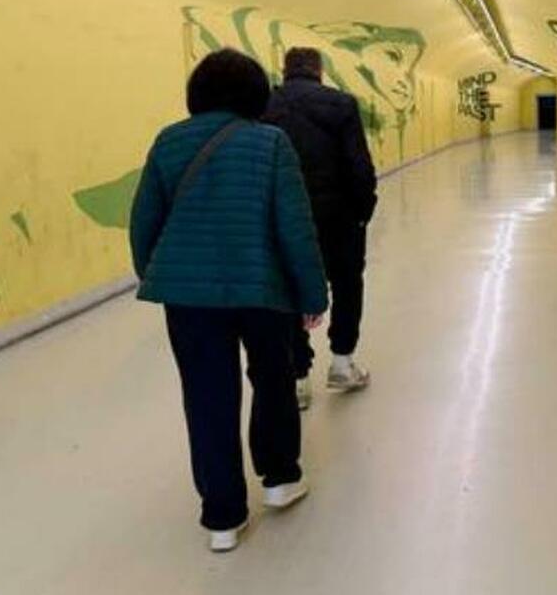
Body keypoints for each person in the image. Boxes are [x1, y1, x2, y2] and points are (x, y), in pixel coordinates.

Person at [129, 48, 328, 553]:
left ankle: (222, 518)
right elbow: (295, 226)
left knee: (206, 396)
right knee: (273, 379)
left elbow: (144, 223)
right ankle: (280, 478)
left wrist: (164, 275)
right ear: (256, 96)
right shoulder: (271, 142)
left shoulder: (169, 142)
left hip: (189, 300)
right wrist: (312, 292)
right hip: (263, 289)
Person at [261, 47, 376, 409]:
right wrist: (363, 210)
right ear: (319, 71)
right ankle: (342, 362)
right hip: (338, 215)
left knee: (289, 288)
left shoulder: (265, 106)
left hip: (285, 217)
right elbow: (359, 164)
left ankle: (298, 378)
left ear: (285, 70)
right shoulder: (341, 104)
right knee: (346, 283)